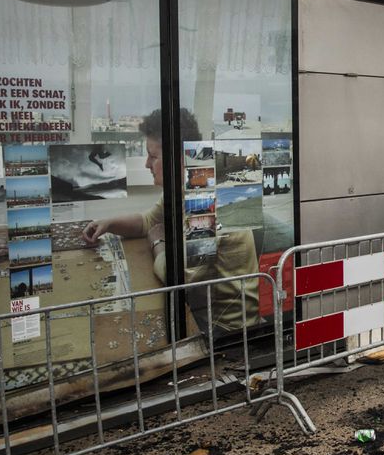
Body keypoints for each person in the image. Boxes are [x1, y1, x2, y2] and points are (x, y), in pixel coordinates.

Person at [82, 108, 259, 334]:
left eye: (153, 156)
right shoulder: (189, 182)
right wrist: (108, 223)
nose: (146, 164)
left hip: (225, 329)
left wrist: (158, 245)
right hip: (202, 309)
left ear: (176, 158)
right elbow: (149, 221)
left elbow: (180, 278)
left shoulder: (206, 200)